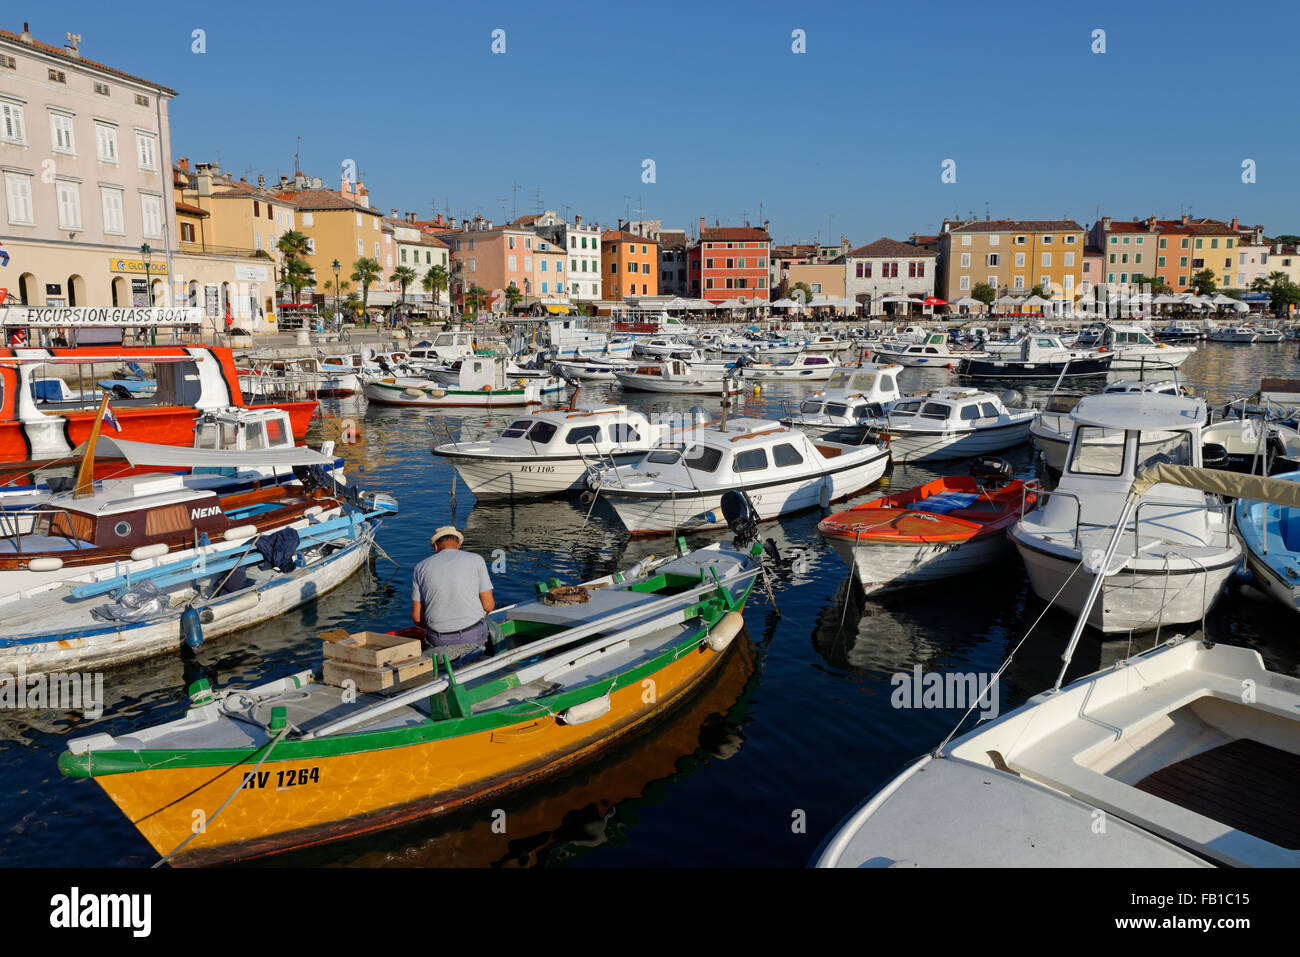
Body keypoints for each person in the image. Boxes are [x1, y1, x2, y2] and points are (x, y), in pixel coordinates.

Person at [411, 526, 494, 652]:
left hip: (438, 639)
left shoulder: (420, 568)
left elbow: (417, 618)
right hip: (471, 635)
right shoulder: (476, 560)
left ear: (435, 546)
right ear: (459, 543)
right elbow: (488, 606)